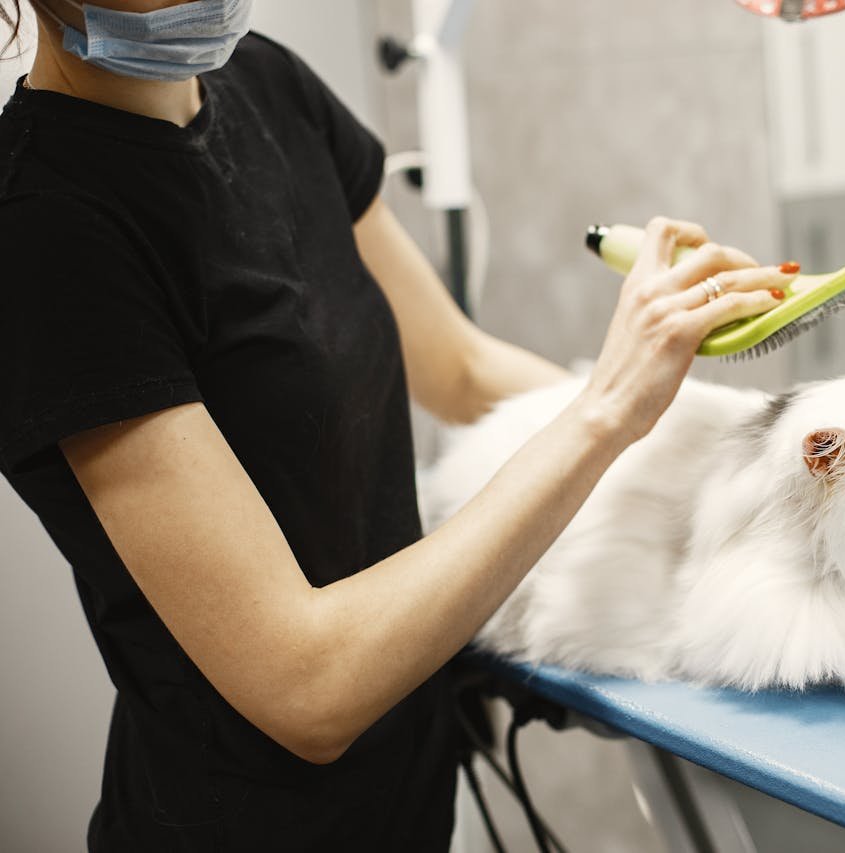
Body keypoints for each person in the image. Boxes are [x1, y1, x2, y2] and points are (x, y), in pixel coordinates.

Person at [0, 0, 799, 849]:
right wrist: (607, 409)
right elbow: (308, 686)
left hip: (413, 799)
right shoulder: (44, 227)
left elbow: (462, 372)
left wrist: (732, 440)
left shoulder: (269, 87)